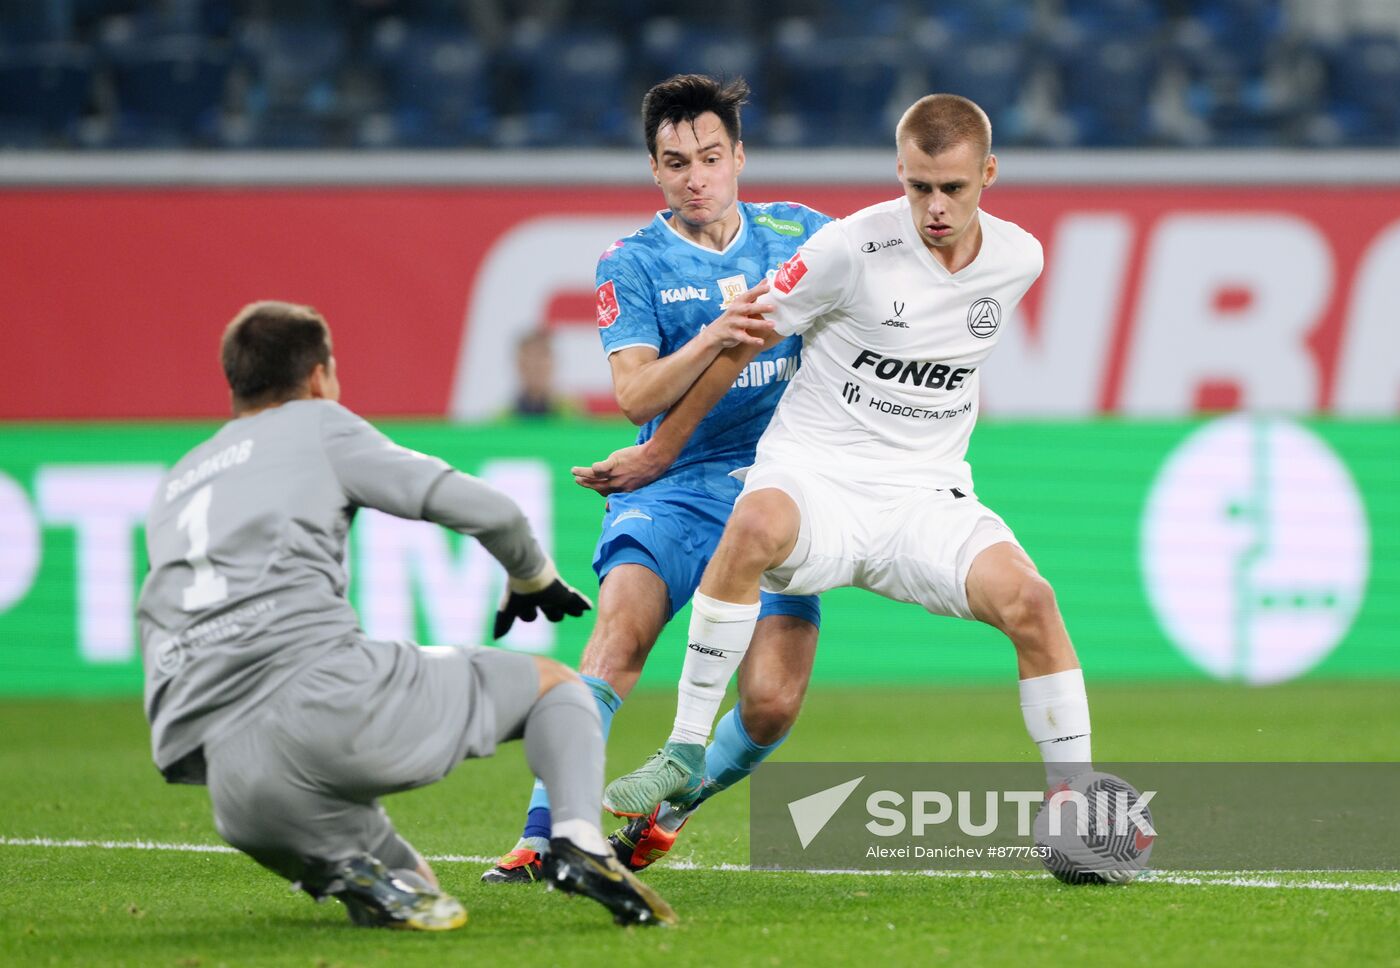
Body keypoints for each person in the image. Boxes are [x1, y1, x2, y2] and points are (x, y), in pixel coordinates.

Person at [601, 93, 1095, 816]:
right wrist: (660, 453)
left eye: (953, 188)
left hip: (924, 497)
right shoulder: (847, 248)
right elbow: (742, 339)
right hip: (815, 477)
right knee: (755, 525)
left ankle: (1077, 809)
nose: (934, 206)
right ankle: (681, 748)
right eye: (918, 186)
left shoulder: (1020, 258)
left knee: (1033, 601)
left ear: (988, 173)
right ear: (899, 170)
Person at [135, 301, 675, 929]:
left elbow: (160, 626)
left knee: (415, 885)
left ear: (236, 383)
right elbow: (490, 510)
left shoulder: (179, 480)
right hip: (326, 703)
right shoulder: (316, 423)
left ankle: (349, 872)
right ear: (318, 377)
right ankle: (578, 843)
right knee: (559, 689)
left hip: (234, 785)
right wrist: (532, 577)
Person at [481, 74, 831, 883]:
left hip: (778, 492)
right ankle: (546, 836)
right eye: (677, 163)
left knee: (774, 703)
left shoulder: (802, 236)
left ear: (740, 157)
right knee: (617, 642)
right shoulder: (631, 262)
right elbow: (636, 393)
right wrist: (715, 334)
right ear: (655, 171)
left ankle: (666, 810)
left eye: (711, 157)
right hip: (672, 489)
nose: (696, 177)